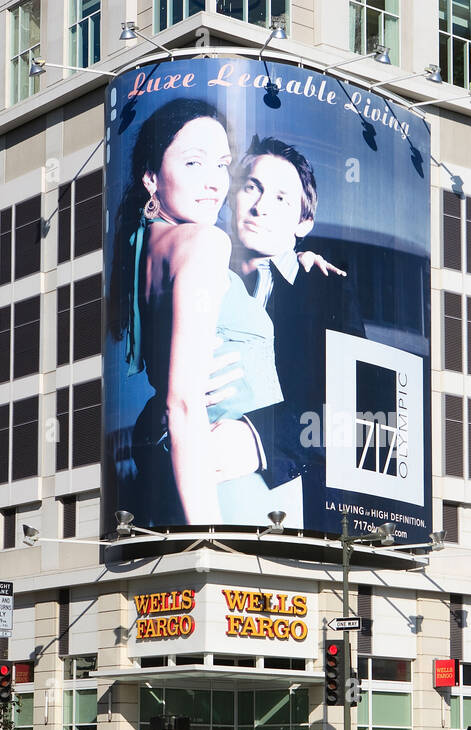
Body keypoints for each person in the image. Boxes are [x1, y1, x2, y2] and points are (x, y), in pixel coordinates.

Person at [117, 97, 285, 525]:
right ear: (151, 177)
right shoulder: (204, 243)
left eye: (222, 164)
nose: (215, 182)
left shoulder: (142, 249)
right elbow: (183, 403)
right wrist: (207, 534)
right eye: (194, 163)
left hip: (188, 457)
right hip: (219, 472)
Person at [218, 137, 363, 525]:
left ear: (304, 223)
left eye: (281, 198)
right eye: (251, 187)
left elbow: (356, 409)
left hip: (291, 509)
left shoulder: (329, 289)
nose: (260, 206)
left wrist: (258, 439)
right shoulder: (199, 275)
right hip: (194, 493)